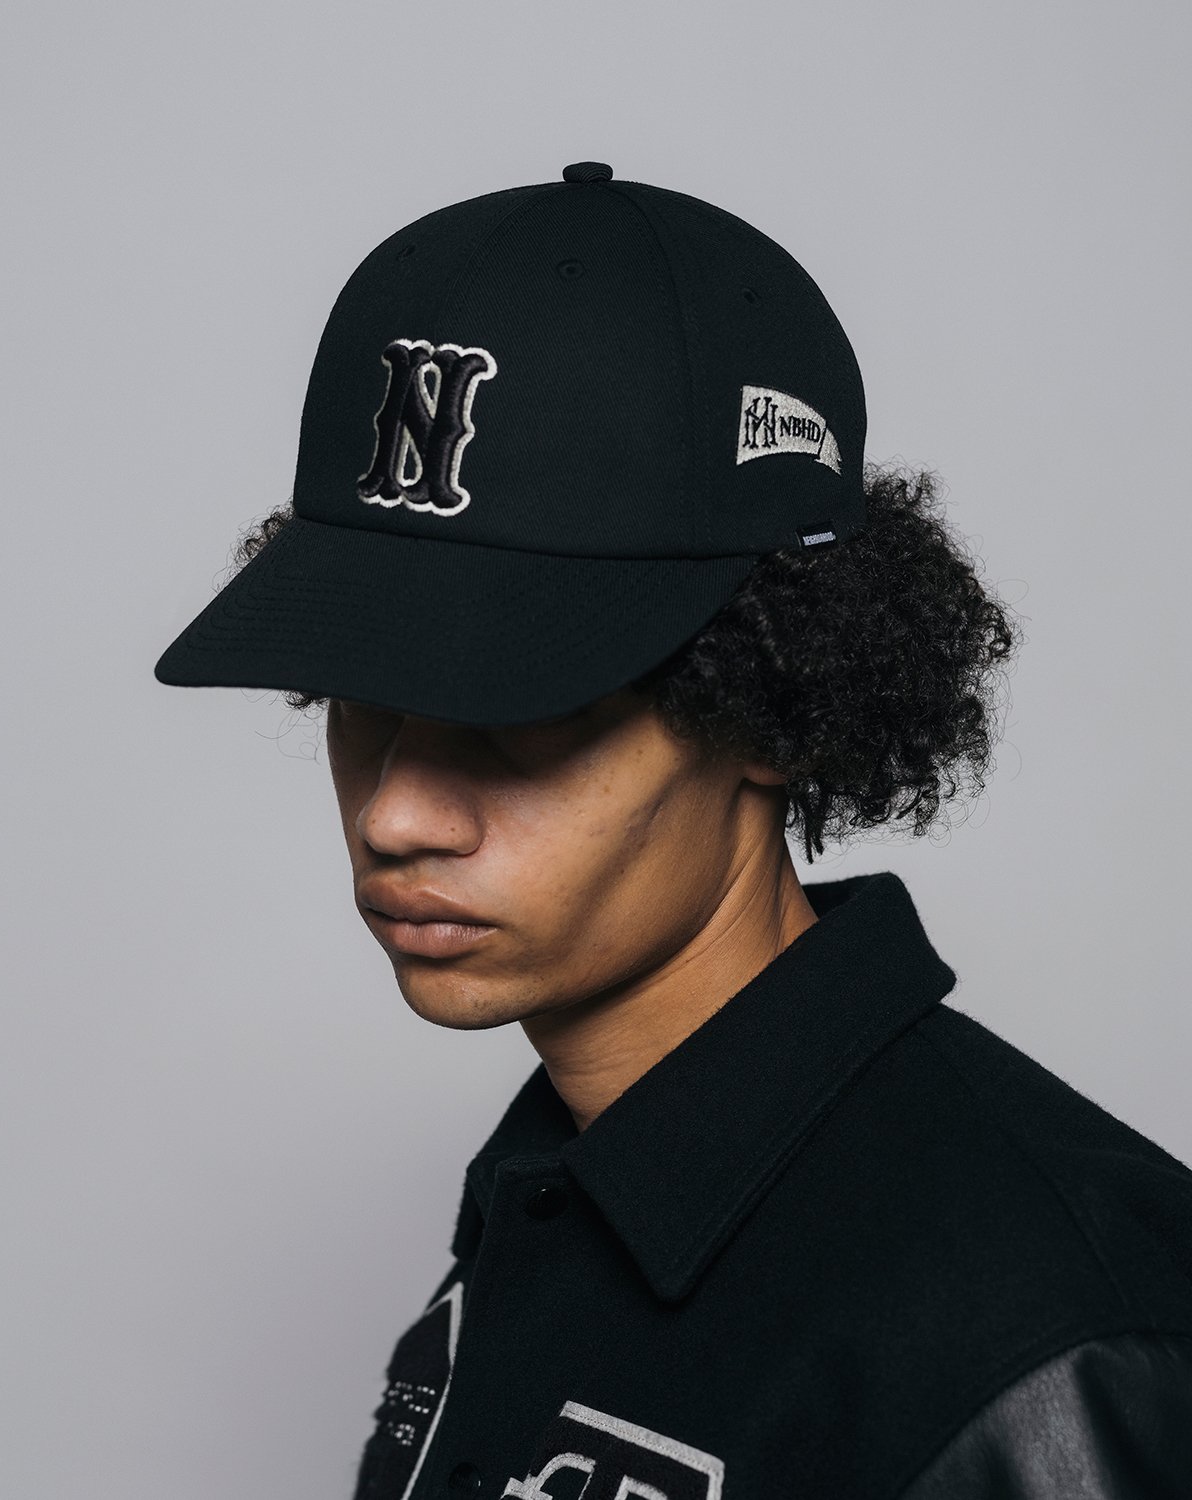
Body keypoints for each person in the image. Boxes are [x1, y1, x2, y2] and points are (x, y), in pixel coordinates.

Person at [157, 163, 1192, 1498]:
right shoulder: (557, 1186)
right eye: (364, 700)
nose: (396, 814)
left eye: (521, 711)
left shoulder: (1046, 1339)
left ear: (772, 709)